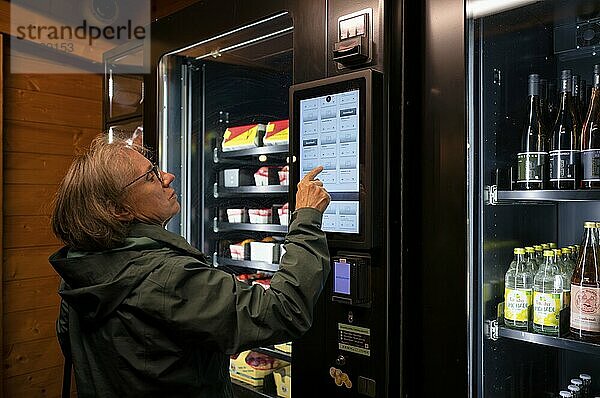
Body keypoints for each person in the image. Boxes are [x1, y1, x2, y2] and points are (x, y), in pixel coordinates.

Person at [49, 136, 331, 398]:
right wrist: (306, 218)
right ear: (118, 210)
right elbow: (282, 311)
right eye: (151, 176)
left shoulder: (79, 270)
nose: (168, 177)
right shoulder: (166, 278)